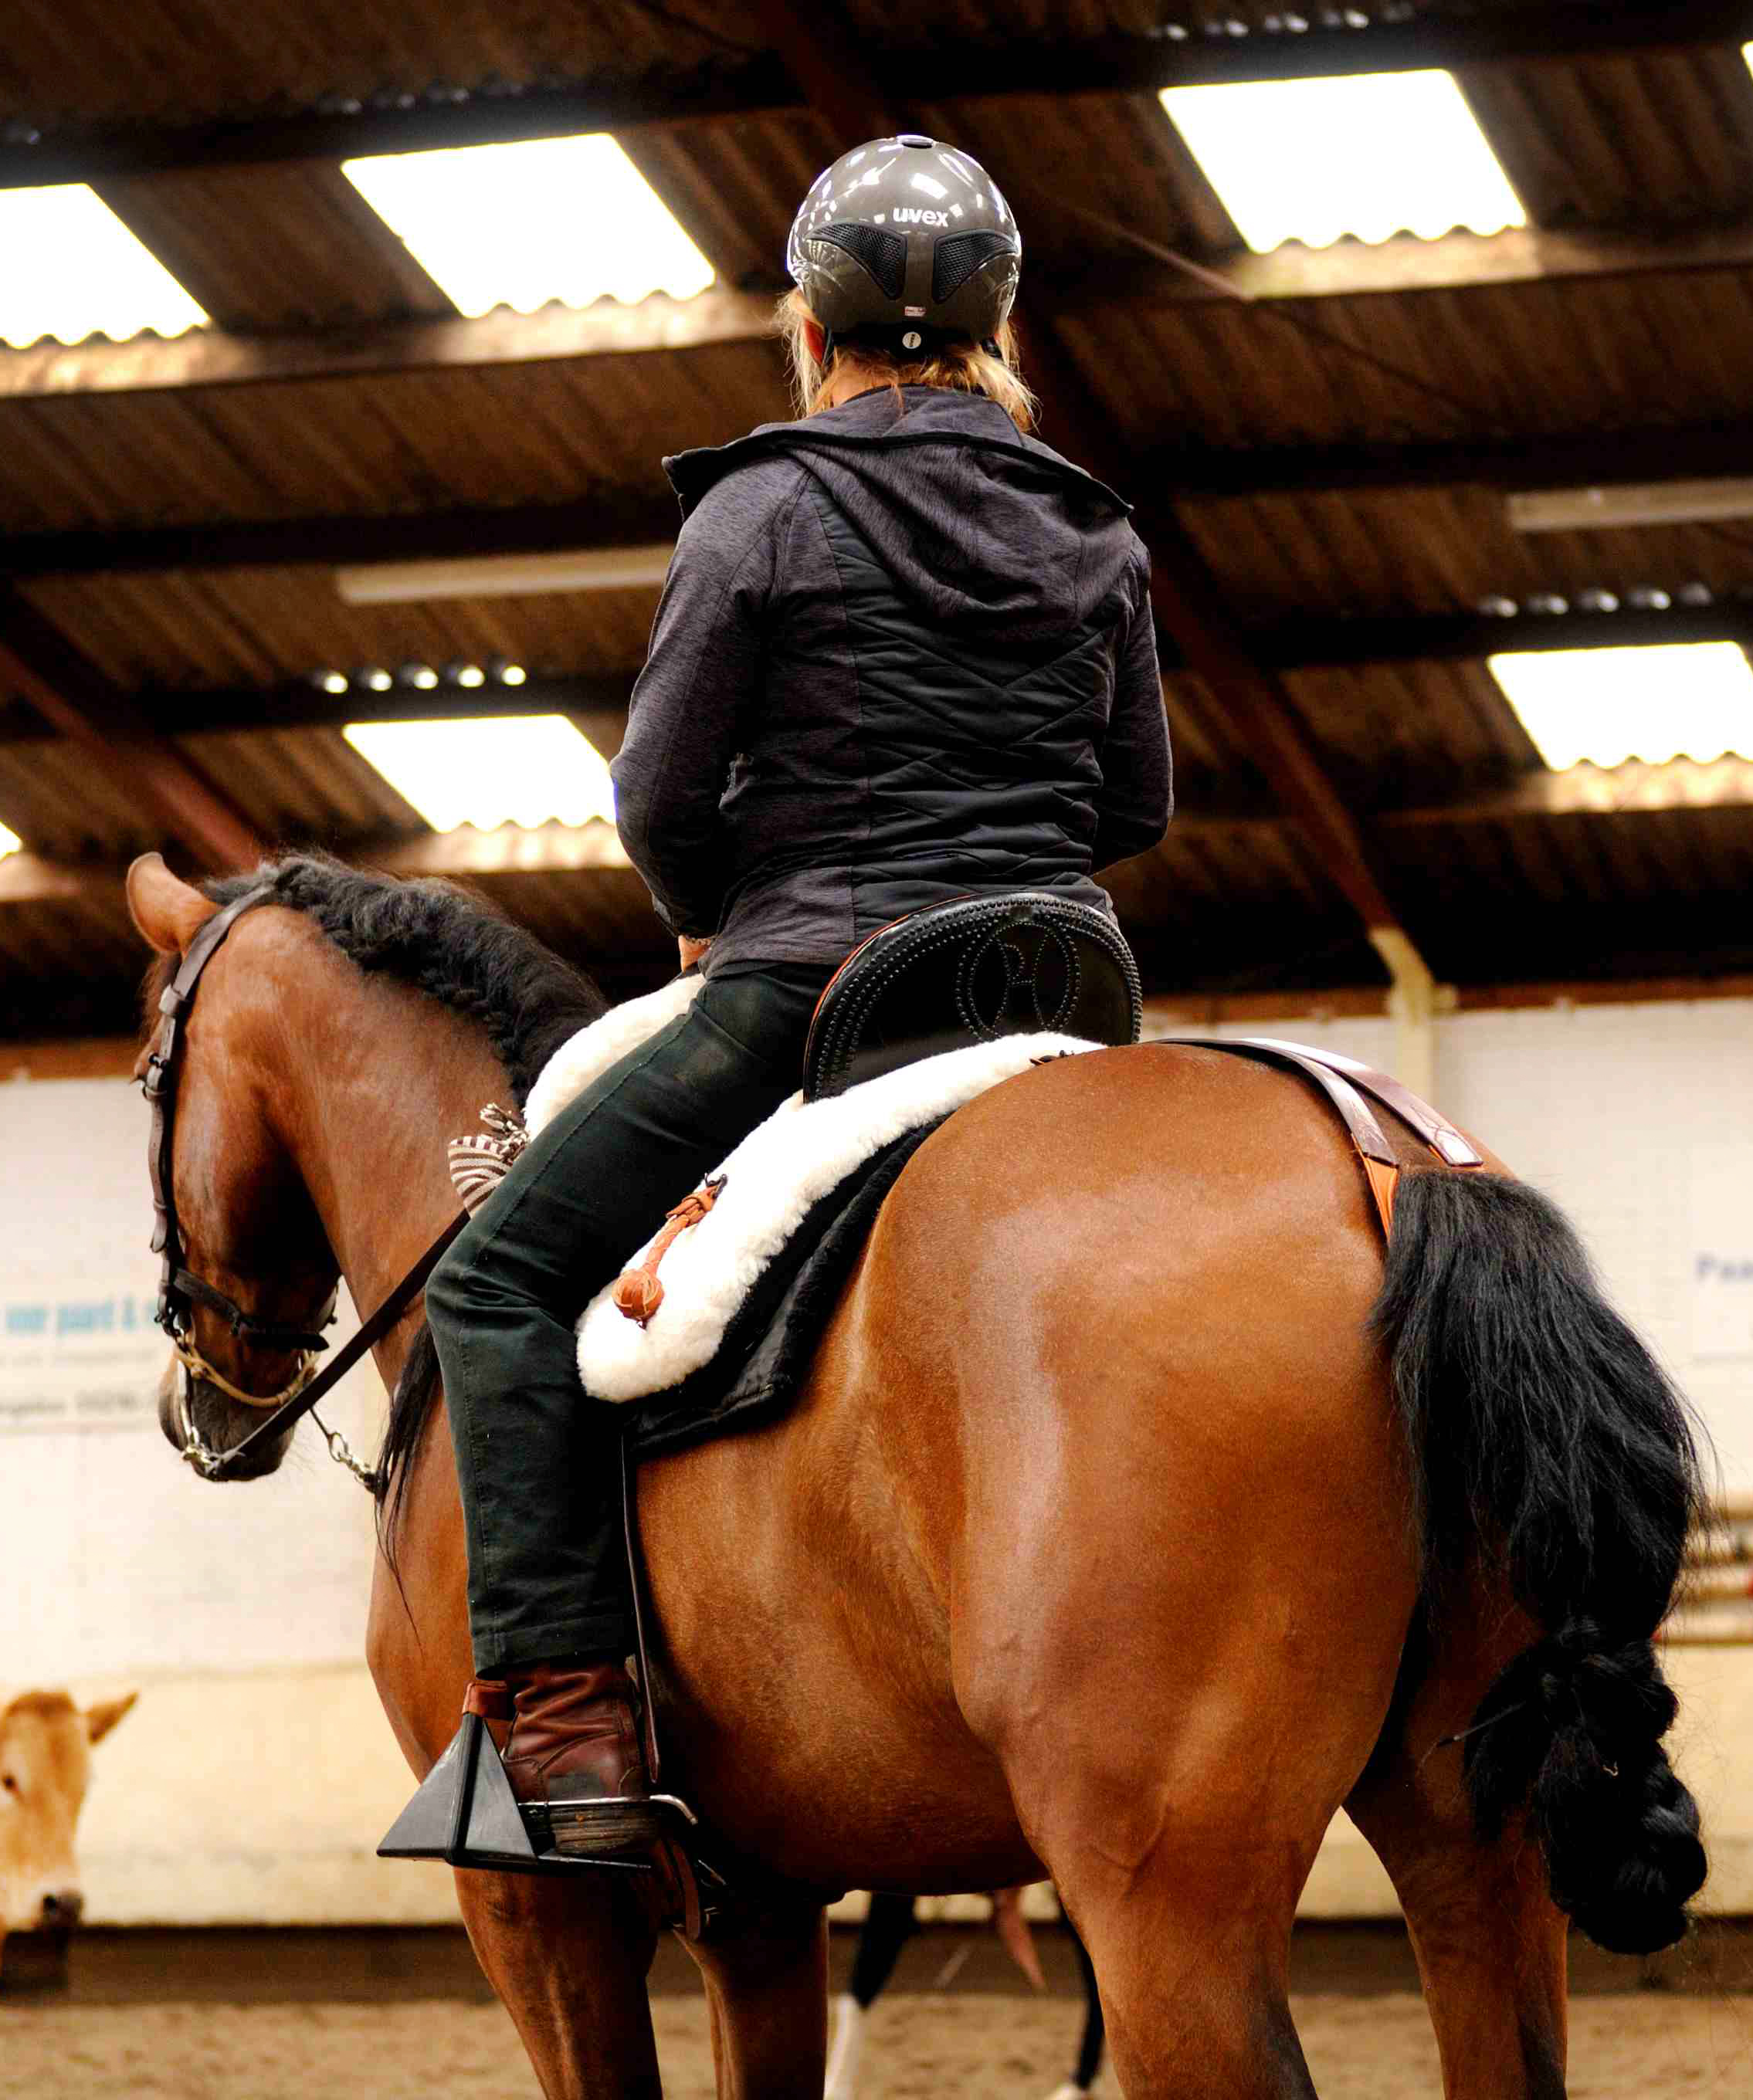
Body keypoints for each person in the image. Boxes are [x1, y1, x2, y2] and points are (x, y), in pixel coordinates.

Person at [386, 134, 1173, 1865]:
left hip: (819, 995)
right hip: (1055, 992)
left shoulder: (758, 506)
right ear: (997, 325)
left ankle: (570, 1717)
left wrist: (709, 915)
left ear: (807, 326)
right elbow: (1134, 810)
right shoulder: (1093, 530)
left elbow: (656, 794)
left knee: (500, 1273)